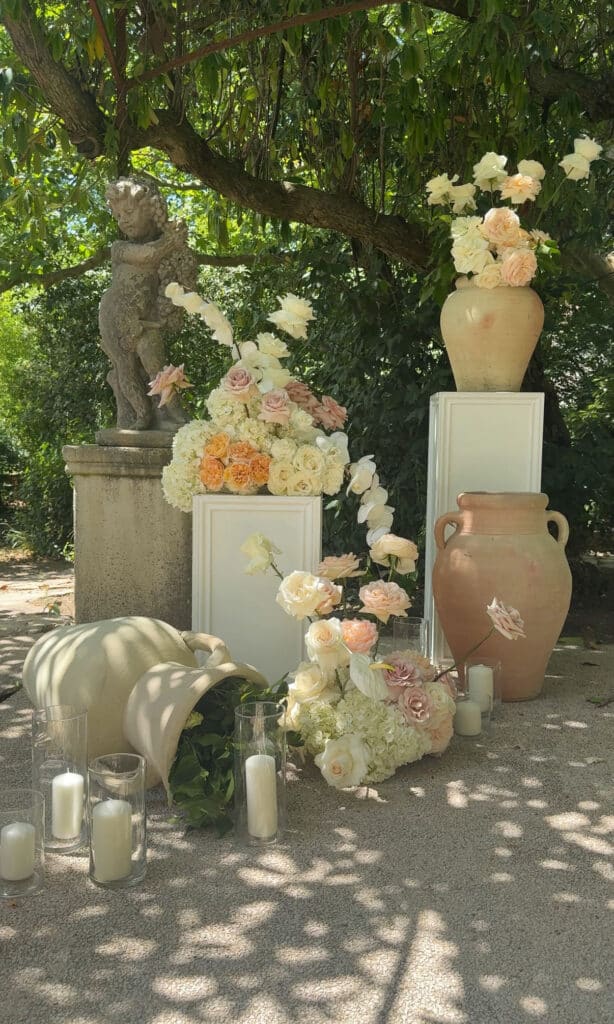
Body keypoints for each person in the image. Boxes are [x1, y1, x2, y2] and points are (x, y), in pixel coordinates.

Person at [99, 177, 197, 430]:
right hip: (115, 317)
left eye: (129, 212)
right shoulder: (120, 248)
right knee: (126, 367)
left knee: (154, 358)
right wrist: (172, 240)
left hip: (143, 318)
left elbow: (174, 282)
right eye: (119, 216)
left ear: (150, 210)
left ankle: (170, 410)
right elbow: (148, 255)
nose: (124, 220)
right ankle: (138, 415)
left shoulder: (167, 250)